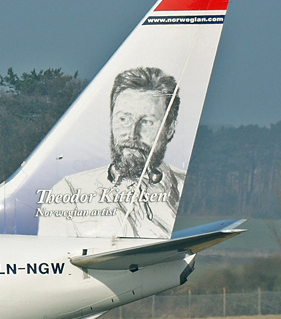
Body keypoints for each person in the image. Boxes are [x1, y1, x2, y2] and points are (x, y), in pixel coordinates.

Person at [36, 66, 184, 238]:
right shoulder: (70, 191)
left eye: (147, 122)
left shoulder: (186, 190)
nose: (132, 134)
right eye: (123, 119)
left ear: (170, 128)